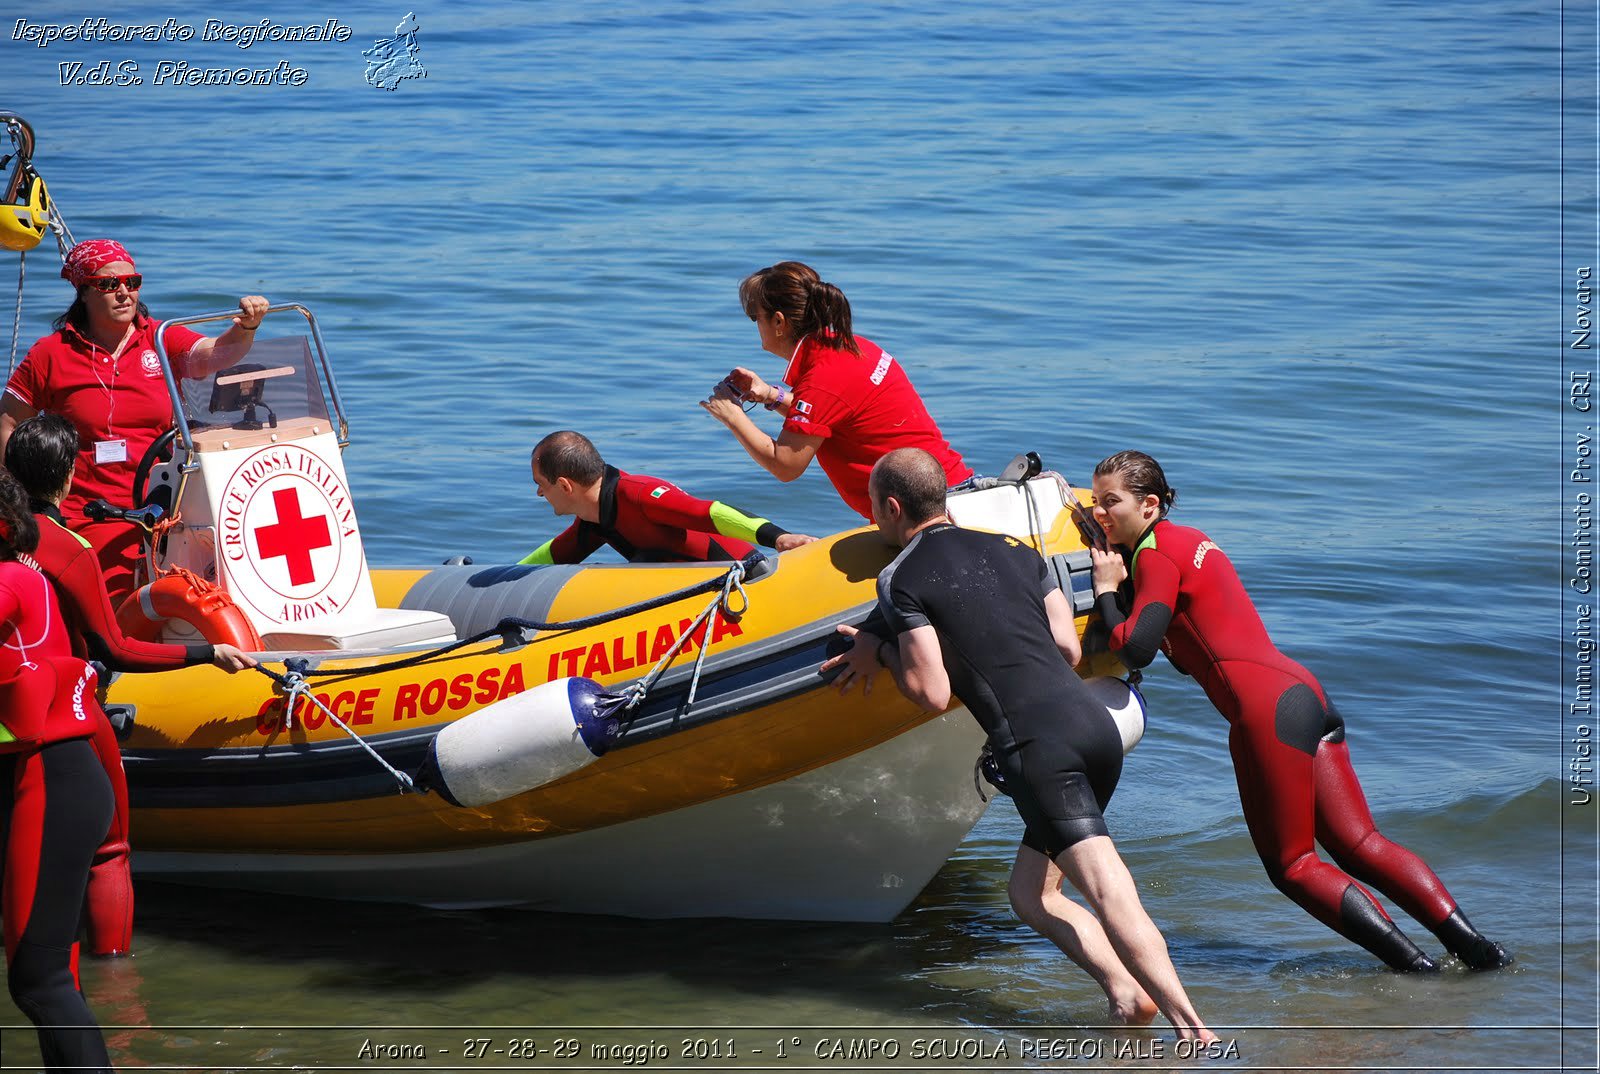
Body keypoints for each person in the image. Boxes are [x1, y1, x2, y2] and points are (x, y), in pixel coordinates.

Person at [822, 448, 1214, 1039]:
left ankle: (1196, 1033)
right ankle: (1128, 997)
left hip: (1038, 750)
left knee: (1110, 890)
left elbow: (930, 692)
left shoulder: (900, 577)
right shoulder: (1015, 550)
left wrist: (879, 650)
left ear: (892, 507)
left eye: (874, 508)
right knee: (1031, 895)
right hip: (1095, 729)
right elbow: (1069, 651)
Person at [1088, 449, 1510, 972]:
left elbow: (1138, 647)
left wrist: (1107, 592)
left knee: (1292, 864)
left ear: (1149, 505)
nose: (1101, 513)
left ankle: (1414, 969)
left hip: (1266, 711)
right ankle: (1479, 952)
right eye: (1094, 503)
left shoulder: (1155, 555)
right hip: (1303, 692)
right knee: (1360, 843)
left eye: (1112, 503)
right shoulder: (1190, 539)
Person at [7, 412, 256, 957]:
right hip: (63, 712)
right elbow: (116, 649)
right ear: (67, 476)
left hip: (7, 709)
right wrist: (206, 652)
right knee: (110, 847)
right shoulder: (68, 548)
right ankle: (115, 979)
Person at [0, 238, 270, 604]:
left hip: (162, 511)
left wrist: (246, 328)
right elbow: (8, 425)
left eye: (132, 282)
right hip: (84, 514)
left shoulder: (160, 338)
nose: (124, 292)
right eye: (109, 284)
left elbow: (214, 355)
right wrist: (17, 504)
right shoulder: (51, 353)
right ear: (84, 292)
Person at [700, 261, 971, 521]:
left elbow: (785, 465)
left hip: (928, 514)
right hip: (948, 490)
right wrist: (772, 396)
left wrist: (732, 416)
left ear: (779, 322)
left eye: (755, 317)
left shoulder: (821, 379)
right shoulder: (852, 347)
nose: (756, 326)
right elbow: (833, 414)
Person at [0, 469, 116, 1072]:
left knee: (40, 982)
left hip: (52, 782)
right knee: (43, 979)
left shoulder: (11, 581)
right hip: (46, 779)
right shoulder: (24, 576)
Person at [519, 430, 816, 565]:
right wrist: (492, 579)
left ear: (565, 485)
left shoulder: (640, 495)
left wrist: (779, 538)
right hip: (693, 597)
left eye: (540, 484)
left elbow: (710, 512)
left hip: (746, 579)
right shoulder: (594, 518)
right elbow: (555, 554)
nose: (539, 493)